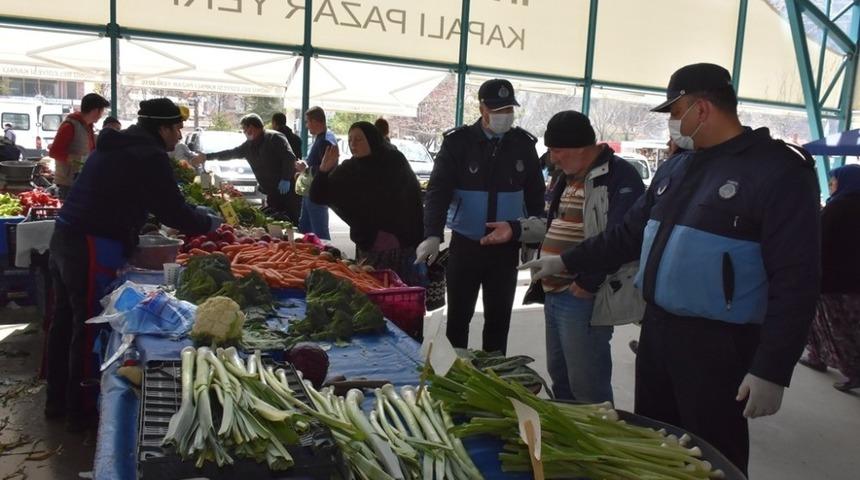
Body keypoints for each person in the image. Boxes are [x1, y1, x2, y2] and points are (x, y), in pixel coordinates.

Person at [521, 63, 820, 474]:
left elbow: (798, 278)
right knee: (659, 442)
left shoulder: (776, 171)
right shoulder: (678, 167)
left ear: (701, 108)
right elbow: (627, 235)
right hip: (659, 331)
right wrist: (565, 260)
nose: (673, 122)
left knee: (713, 452)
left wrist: (772, 368)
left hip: (719, 343)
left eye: (676, 112)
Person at [45, 98, 220, 432]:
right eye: (177, 127)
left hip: (65, 237)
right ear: (162, 127)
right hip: (90, 244)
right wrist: (208, 223)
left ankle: (57, 401)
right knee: (88, 324)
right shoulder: (148, 154)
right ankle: (79, 411)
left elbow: (134, 194)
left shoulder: (119, 144)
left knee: (65, 321)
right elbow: (172, 210)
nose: (180, 134)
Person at [485, 111, 645, 403]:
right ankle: (568, 441)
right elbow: (555, 223)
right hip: (553, 291)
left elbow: (622, 237)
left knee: (587, 384)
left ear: (581, 147)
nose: (553, 159)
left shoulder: (620, 177)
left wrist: (588, 281)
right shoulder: (567, 178)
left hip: (582, 294)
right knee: (560, 375)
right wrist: (515, 228)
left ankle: (596, 439)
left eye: (557, 151)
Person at [416, 78, 545, 354]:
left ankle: (493, 375)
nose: (504, 116)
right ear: (482, 108)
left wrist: (532, 241)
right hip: (466, 245)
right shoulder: (458, 143)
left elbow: (535, 195)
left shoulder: (523, 144)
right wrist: (432, 234)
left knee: (499, 321)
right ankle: (454, 376)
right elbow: (438, 192)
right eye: (497, 110)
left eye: (508, 109)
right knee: (458, 319)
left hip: (506, 247)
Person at [309, 121, 423, 284]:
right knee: (370, 290)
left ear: (372, 139)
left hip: (396, 243)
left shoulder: (394, 162)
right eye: (350, 140)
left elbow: (411, 202)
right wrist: (323, 171)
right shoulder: (350, 168)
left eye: (358, 139)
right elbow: (318, 196)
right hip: (366, 242)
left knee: (392, 291)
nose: (353, 144)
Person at [798, 164, 860, 392]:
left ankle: (853, 371)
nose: (832, 185)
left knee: (836, 327)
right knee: (834, 324)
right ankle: (817, 356)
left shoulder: (839, 207)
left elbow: (819, 239)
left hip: (835, 279)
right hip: (851, 281)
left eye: (834, 181)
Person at [194, 114, 297, 216]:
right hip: (271, 192)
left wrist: (286, 178)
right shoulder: (249, 145)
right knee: (275, 220)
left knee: (291, 218)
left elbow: (289, 157)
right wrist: (207, 157)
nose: (244, 132)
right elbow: (230, 153)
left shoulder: (274, 138)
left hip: (287, 190)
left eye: (244, 129)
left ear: (251, 128)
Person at [49, 93, 110, 199]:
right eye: (102, 111)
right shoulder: (70, 126)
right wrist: (79, 160)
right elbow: (54, 152)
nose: (101, 115)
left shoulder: (88, 127)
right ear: (96, 110)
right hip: (68, 184)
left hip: (82, 180)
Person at [296, 106, 335, 240]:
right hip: (310, 191)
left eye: (307, 122)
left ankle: (328, 257)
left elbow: (329, 168)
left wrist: (305, 170)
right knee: (304, 228)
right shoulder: (320, 138)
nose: (307, 126)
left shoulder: (325, 141)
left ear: (316, 122)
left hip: (318, 193)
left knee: (320, 232)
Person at [271, 112, 304, 224]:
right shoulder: (297, 139)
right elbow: (298, 159)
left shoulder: (272, 139)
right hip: (293, 180)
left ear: (274, 123)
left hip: (277, 181)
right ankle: (292, 238)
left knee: (275, 215)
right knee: (292, 214)